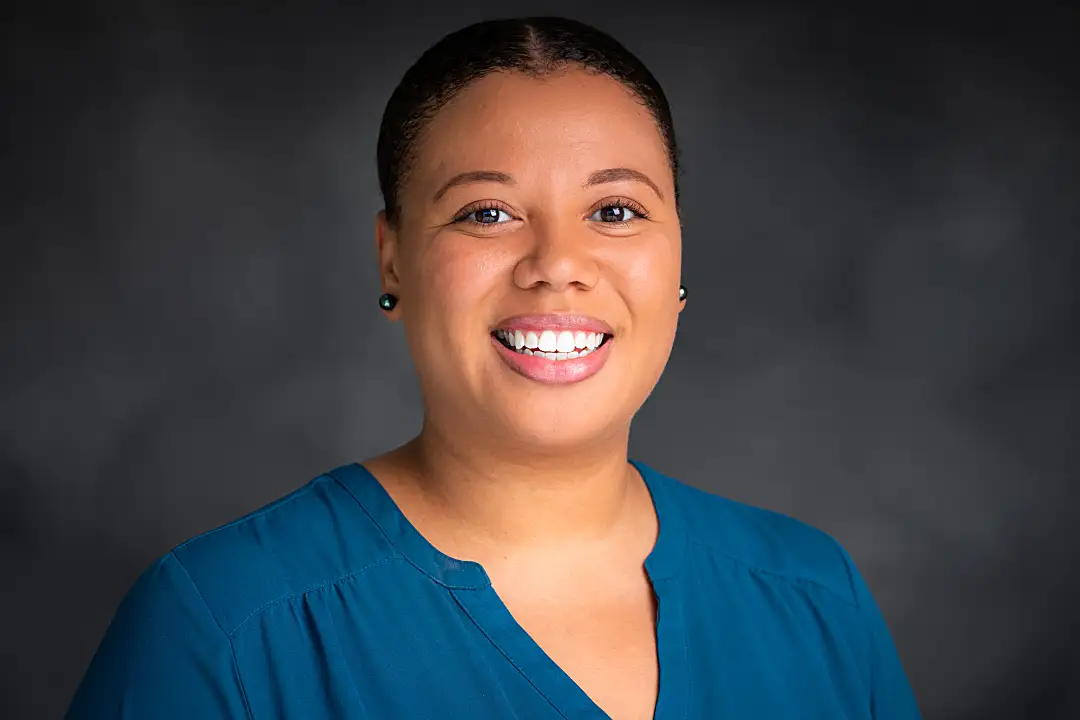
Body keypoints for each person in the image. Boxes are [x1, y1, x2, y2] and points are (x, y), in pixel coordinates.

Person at [67, 16, 921, 719]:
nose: (558, 262)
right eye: (488, 213)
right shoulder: (224, 625)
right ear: (392, 259)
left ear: (679, 261)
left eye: (615, 210)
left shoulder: (816, 597)